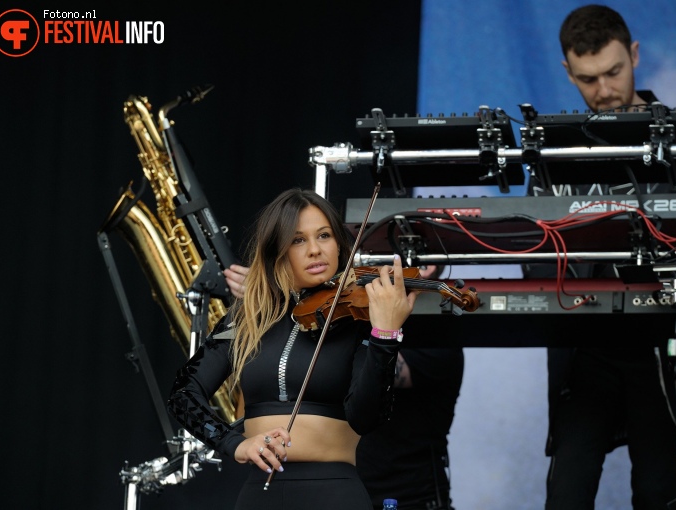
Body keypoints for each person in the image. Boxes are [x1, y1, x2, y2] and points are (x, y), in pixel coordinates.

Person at [526, 5, 676, 510]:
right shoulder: (555, 151)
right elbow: (534, 259)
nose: (603, 90)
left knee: (659, 493)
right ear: (567, 73)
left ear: (636, 56)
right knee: (566, 492)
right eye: (587, 79)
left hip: (669, 346)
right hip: (587, 347)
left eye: (613, 72)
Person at [167, 188, 418, 510]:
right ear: (277, 251)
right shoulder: (248, 317)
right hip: (259, 494)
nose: (315, 250)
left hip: (334, 493)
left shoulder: (359, 316)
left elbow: (367, 417)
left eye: (324, 236)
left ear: (340, 245)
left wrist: (385, 334)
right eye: (298, 240)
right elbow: (183, 393)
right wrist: (235, 444)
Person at [226, 263, 464, 510]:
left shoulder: (439, 342)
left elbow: (375, 370)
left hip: (409, 499)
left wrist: (280, 298)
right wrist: (275, 303)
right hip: (343, 492)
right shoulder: (347, 321)